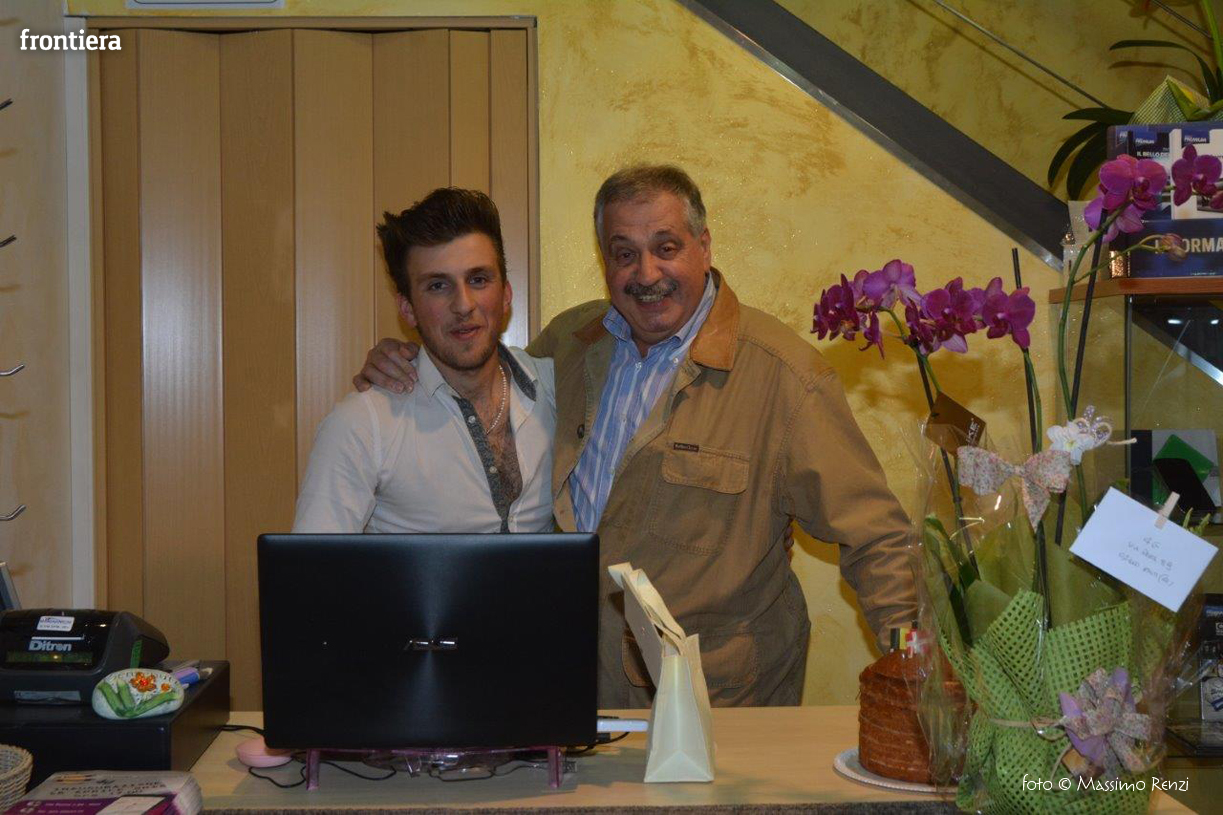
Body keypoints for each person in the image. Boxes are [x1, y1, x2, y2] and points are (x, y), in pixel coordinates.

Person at [354, 166, 917, 707]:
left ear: (705, 247)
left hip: (717, 706)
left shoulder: (784, 378)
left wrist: (919, 680)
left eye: (666, 247)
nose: (646, 274)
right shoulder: (567, 346)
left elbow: (877, 539)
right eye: (624, 254)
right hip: (575, 690)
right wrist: (409, 360)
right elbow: (478, 377)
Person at [293, 188, 555, 535]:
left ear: (505, 294)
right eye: (437, 286)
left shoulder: (558, 389)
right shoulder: (362, 425)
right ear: (407, 308)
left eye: (478, 280)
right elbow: (312, 566)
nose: (463, 305)